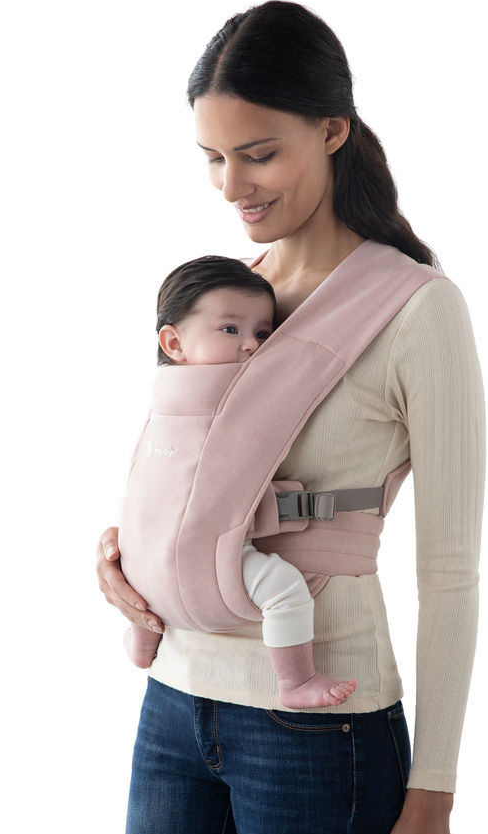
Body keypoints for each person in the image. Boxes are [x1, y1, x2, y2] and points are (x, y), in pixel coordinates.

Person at [96, 0, 486, 834]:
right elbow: (188, 482)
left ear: (333, 129)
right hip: (176, 706)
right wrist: (120, 556)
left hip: (323, 731)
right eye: (213, 158)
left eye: (259, 153)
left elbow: (450, 574)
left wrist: (432, 799)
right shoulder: (239, 298)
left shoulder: (415, 311)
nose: (233, 186)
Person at [122, 254, 358, 709]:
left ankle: (142, 639)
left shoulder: (162, 400)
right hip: (200, 558)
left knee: (148, 569)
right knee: (284, 589)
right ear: (173, 343)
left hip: (141, 558)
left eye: (264, 334)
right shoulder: (231, 396)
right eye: (230, 329)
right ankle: (295, 680)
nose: (251, 345)